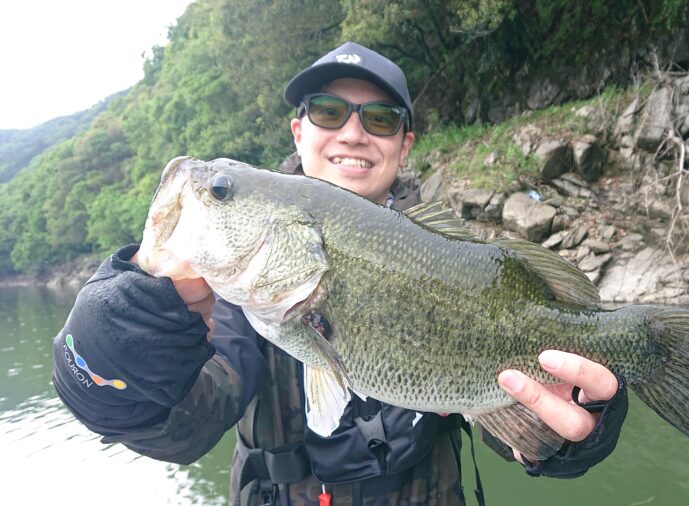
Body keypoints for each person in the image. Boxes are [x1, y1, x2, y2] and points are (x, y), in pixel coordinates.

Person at [51, 41, 628, 506]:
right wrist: (110, 352)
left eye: (379, 118)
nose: (353, 133)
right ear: (299, 133)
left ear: (405, 145)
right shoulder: (235, 294)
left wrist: (579, 426)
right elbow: (182, 426)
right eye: (328, 111)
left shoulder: (460, 258)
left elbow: (529, 424)